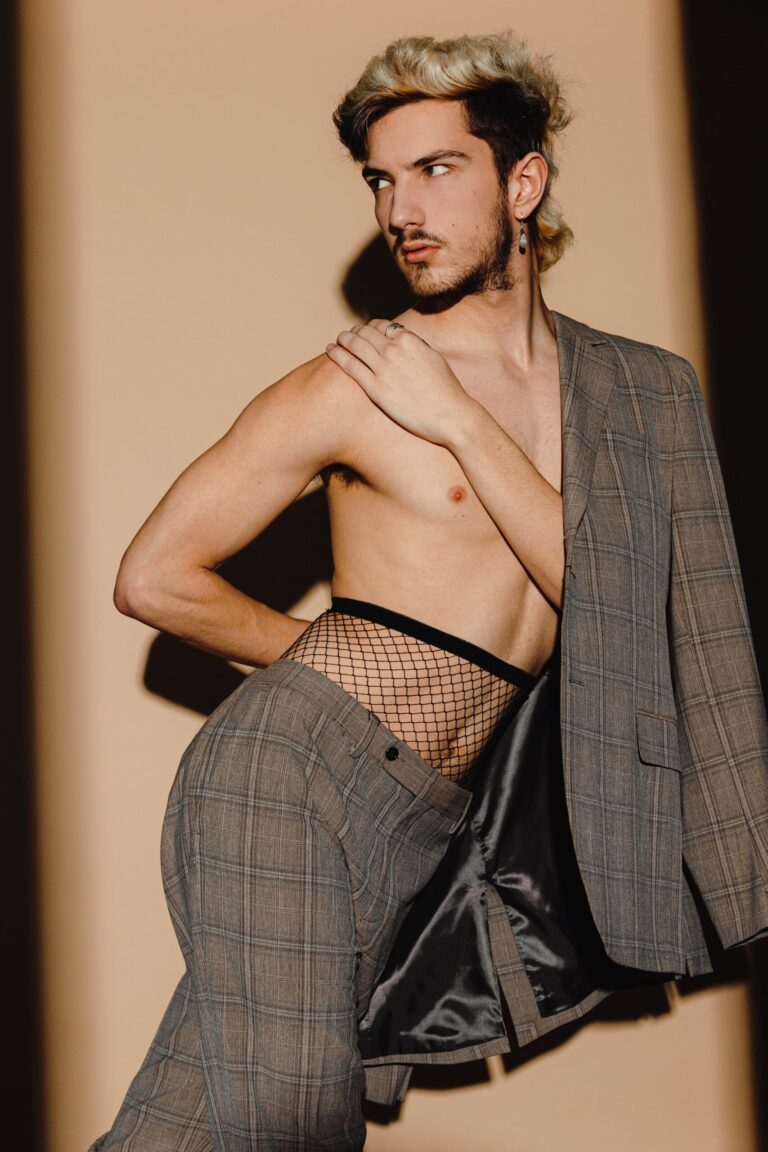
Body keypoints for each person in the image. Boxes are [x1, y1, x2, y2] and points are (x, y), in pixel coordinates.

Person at [88, 29, 768, 1152]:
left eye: (436, 169)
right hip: (287, 778)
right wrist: (335, 674)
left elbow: (626, 612)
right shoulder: (360, 378)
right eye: (380, 180)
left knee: (189, 1123)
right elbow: (152, 577)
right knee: (298, 1124)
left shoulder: (643, 395)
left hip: (429, 819)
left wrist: (457, 421)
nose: (400, 208)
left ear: (522, 182)